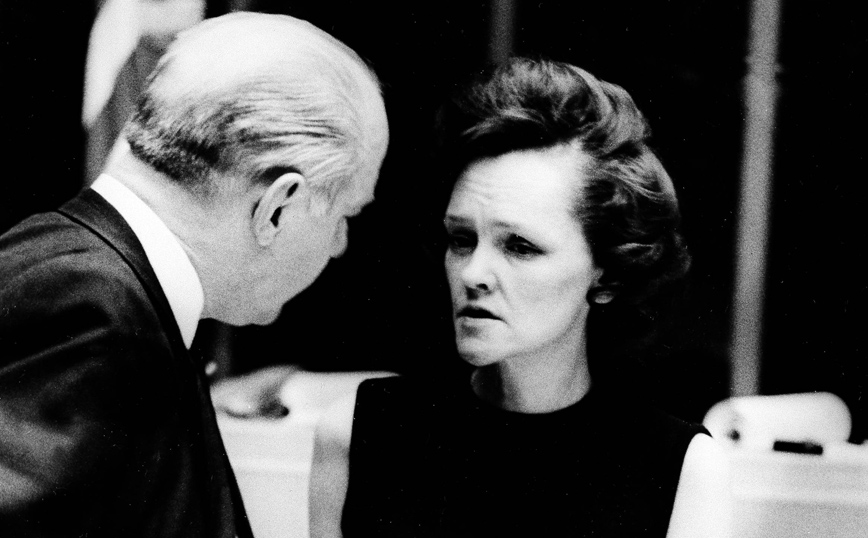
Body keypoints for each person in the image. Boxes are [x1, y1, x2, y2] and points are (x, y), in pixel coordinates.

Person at [0, 12, 388, 538]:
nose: (340, 245)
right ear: (278, 208)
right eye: (346, 215)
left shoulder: (92, 278)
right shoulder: (93, 314)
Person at [309, 57, 728, 538]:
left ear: (608, 275)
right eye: (461, 239)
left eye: (520, 247)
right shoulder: (363, 432)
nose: (473, 273)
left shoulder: (678, 468)